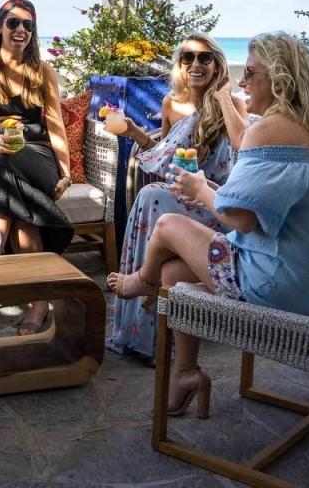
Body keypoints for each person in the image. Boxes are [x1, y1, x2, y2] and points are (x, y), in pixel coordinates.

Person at [107, 32, 309, 418]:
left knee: (169, 224)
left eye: (251, 73)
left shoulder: (268, 130)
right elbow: (256, 211)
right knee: (175, 273)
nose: (242, 82)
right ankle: (185, 372)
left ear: (280, 80)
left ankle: (142, 280)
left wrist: (202, 188)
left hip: (284, 285)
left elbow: (240, 219)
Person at [106, 32, 248, 359]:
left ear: (216, 64)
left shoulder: (231, 103)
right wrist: (133, 132)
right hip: (176, 193)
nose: (195, 64)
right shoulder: (172, 103)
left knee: (151, 196)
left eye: (204, 58)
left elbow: (242, 146)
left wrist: (224, 99)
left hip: (215, 201)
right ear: (180, 64)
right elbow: (163, 158)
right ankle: (140, 328)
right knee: (152, 193)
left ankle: (146, 294)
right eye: (188, 57)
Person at [0, 0, 73, 336]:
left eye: (28, 25)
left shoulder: (42, 71)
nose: (21, 30)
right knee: (21, 213)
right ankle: (38, 302)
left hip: (37, 155)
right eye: (14, 23)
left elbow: (55, 125)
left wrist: (65, 171)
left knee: (9, 171)